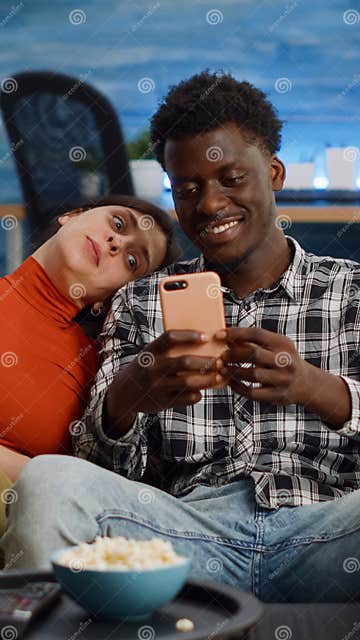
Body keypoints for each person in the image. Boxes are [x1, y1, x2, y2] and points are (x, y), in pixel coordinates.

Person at [2, 72, 360, 603]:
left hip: (327, 531)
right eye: (189, 189)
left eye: (232, 179)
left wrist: (317, 388)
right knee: (49, 482)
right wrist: (129, 396)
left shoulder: (351, 288)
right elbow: (100, 469)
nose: (211, 205)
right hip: (182, 537)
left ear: (275, 173)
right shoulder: (140, 301)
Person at [0, 194, 179, 484]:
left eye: (132, 260)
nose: (117, 243)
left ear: (109, 299)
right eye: (118, 224)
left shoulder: (100, 382)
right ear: (71, 214)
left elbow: (90, 489)